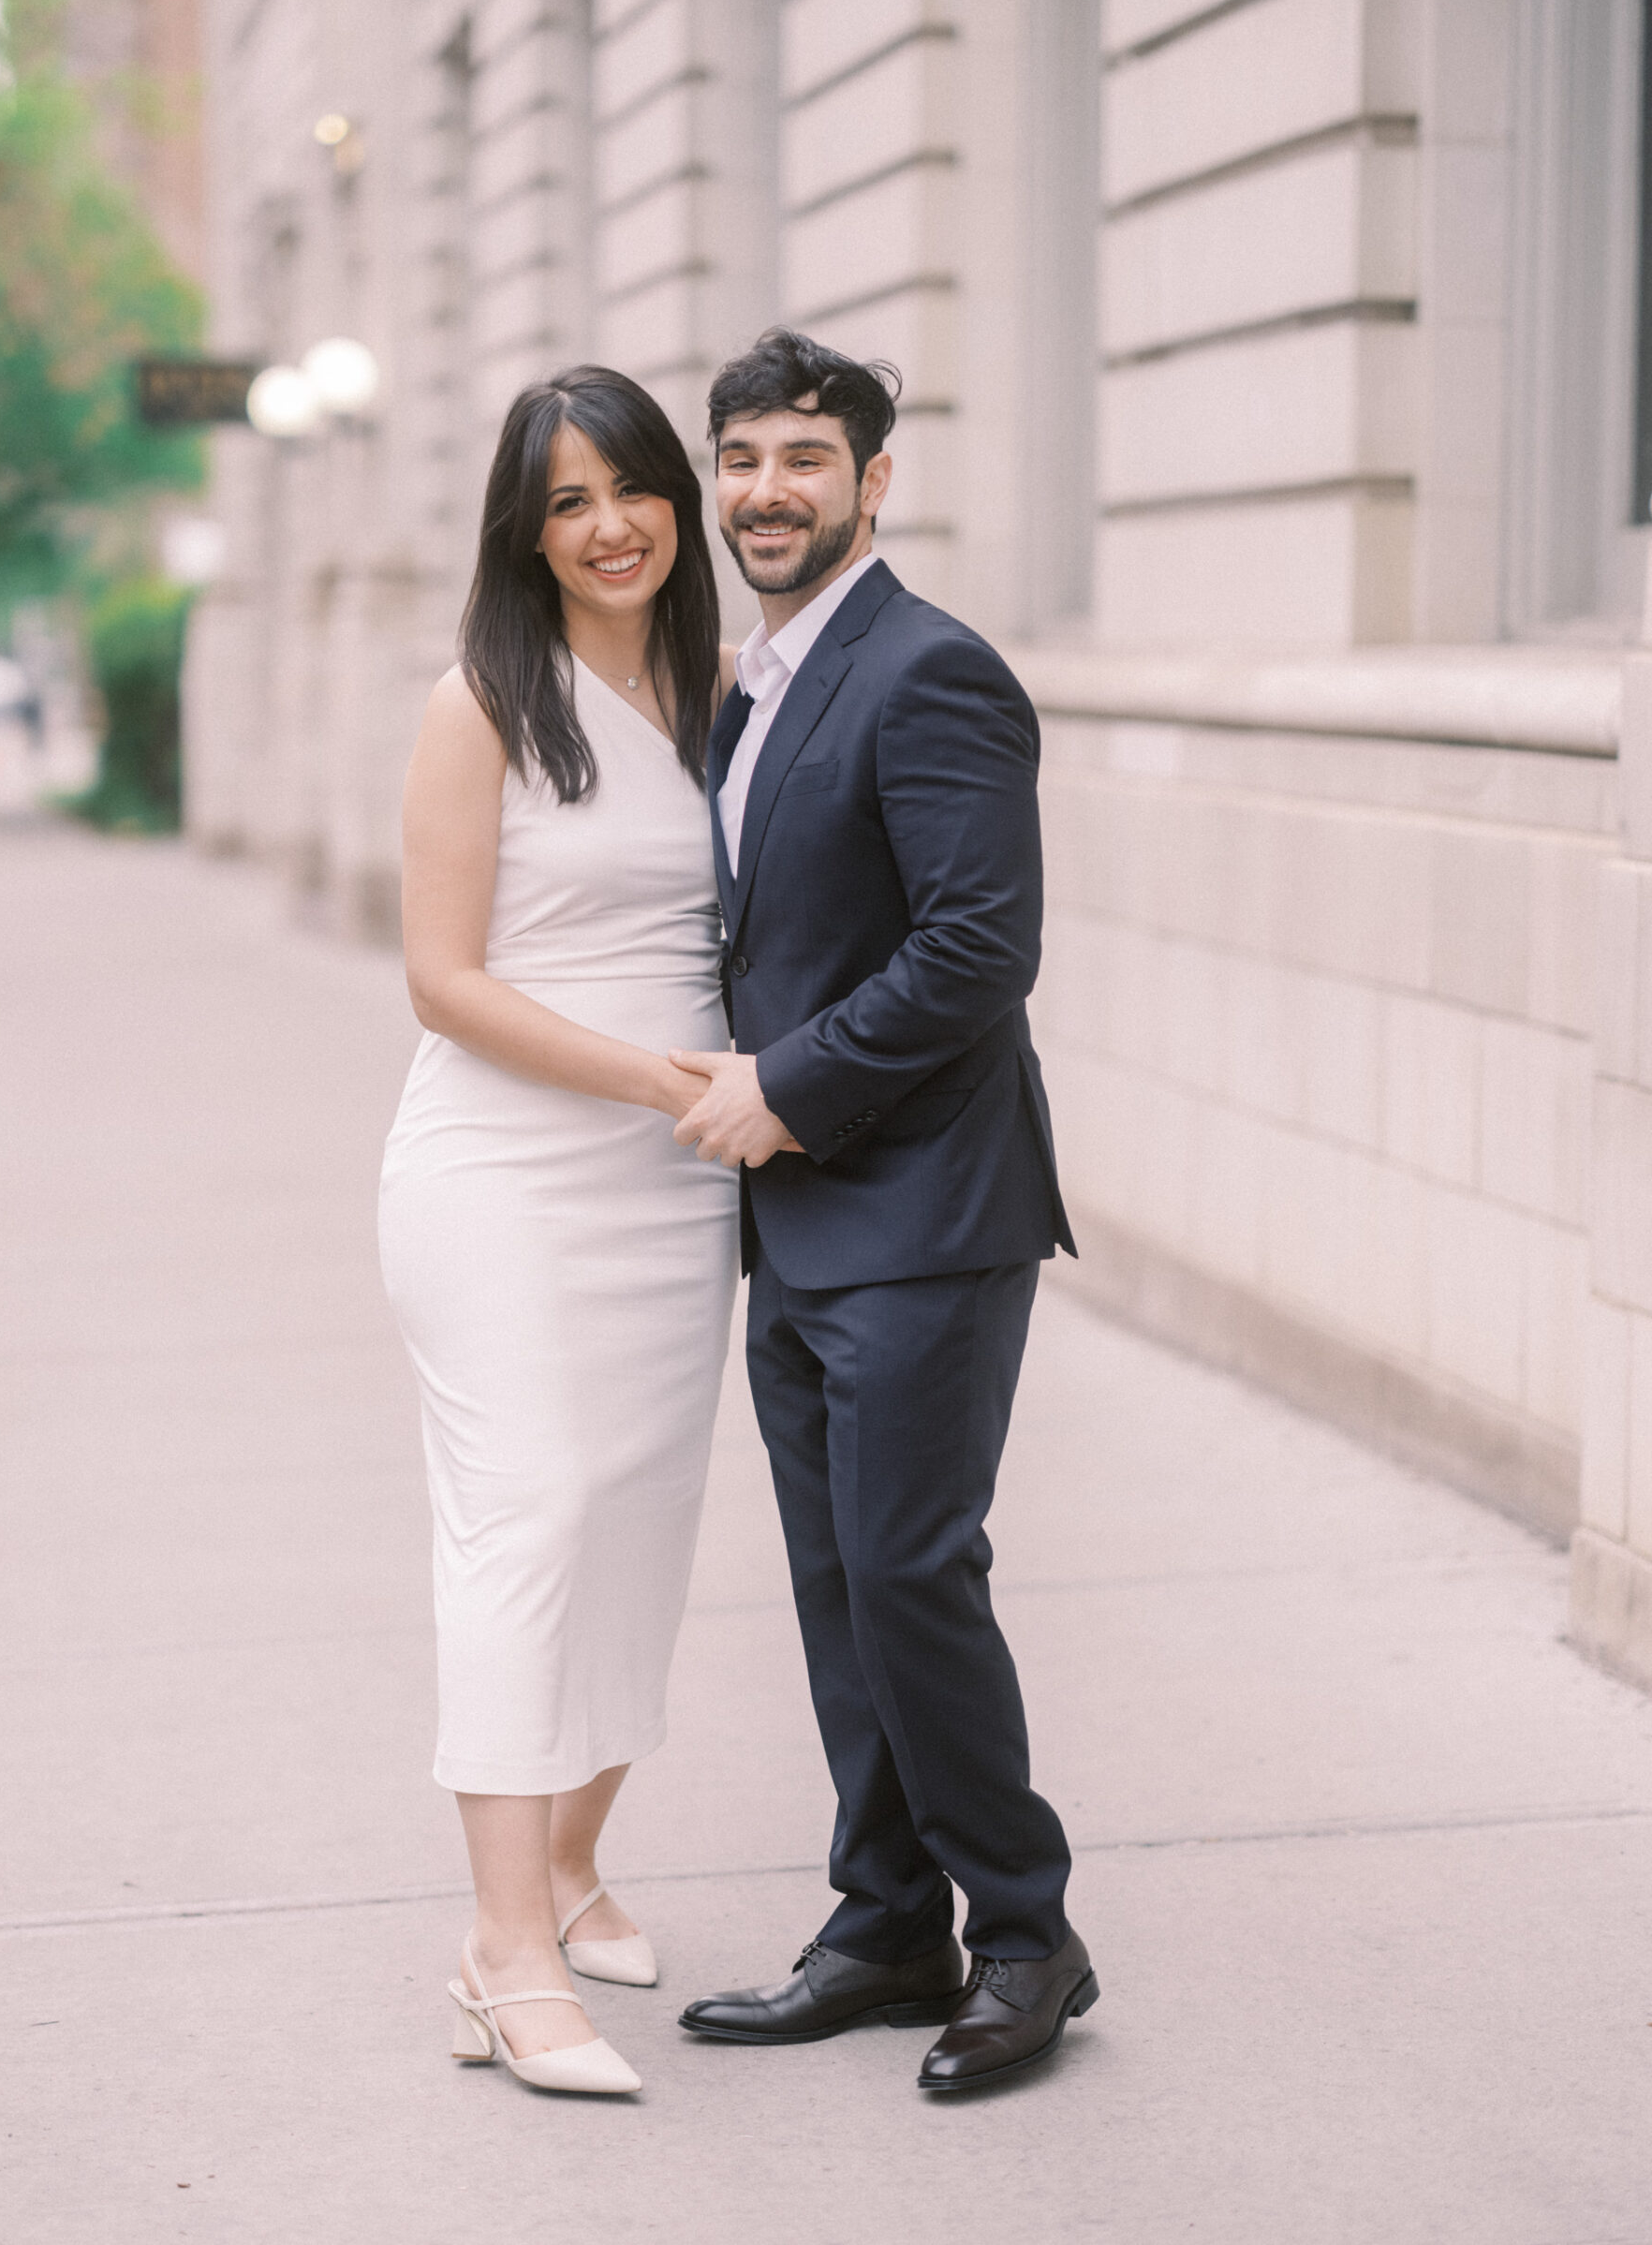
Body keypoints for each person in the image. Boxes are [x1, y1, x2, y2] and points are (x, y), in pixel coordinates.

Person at [670, 329, 1097, 2094]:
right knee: (843, 1587)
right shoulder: (751, 682)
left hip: (923, 1205)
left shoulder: (931, 671)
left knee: (916, 1575)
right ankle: (881, 1921)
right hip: (801, 1220)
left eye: (804, 460)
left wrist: (788, 1084)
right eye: (744, 459)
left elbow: (981, 948)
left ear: (873, 482)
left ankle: (1026, 1932)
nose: (768, 491)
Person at [377, 366, 744, 2097]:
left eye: (631, 489)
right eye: (567, 502)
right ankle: (503, 1954)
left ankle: (578, 1861)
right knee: (529, 1520)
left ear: (676, 498)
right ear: (524, 535)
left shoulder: (709, 682)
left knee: (641, 1528)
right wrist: (659, 1083)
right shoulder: (483, 703)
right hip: (508, 1175)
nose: (608, 527)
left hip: (675, 1183)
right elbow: (444, 984)